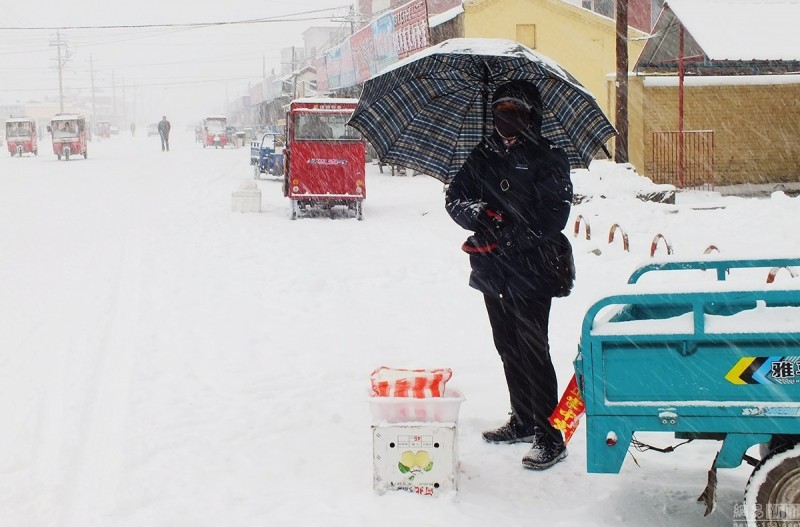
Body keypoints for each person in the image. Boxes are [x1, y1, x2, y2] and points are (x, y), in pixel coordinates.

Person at [445, 80, 576, 471]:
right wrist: (480, 215)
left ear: (531, 115)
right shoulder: (483, 153)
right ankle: (522, 419)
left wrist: (510, 236)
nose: (506, 116)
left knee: (535, 351)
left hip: (532, 270)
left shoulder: (549, 156)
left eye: (515, 110)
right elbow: (455, 198)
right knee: (507, 347)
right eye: (500, 109)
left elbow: (554, 215)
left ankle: (550, 435)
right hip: (491, 271)